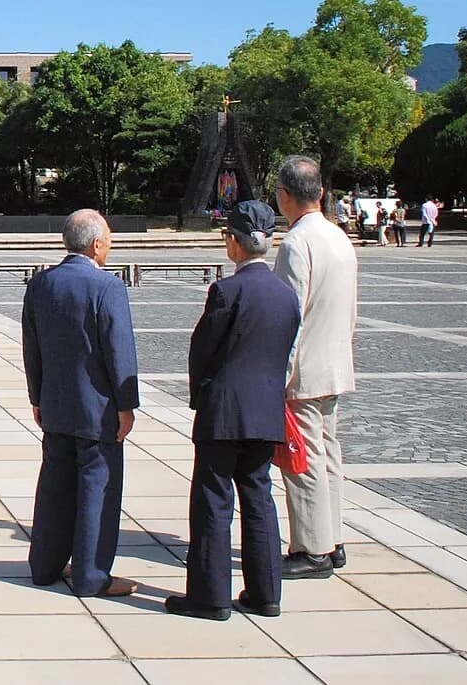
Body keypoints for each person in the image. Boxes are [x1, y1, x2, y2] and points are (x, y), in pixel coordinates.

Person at [165, 201, 301, 621]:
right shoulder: (286, 294)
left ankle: (210, 596)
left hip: (224, 410)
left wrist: (200, 395)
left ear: (236, 243)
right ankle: (265, 593)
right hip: (266, 411)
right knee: (259, 497)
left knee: (213, 501)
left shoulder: (227, 290)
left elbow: (203, 350)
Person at [23, 209, 140, 598]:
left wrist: (37, 397)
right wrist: (127, 405)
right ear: (95, 244)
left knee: (54, 487)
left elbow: (32, 349)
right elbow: (118, 350)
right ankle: (91, 575)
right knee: (97, 489)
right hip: (98, 409)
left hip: (55, 405)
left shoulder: (41, 284)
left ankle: (44, 566)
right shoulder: (107, 287)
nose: (109, 247)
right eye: (108, 240)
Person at [274, 155, 358, 579]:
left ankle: (312, 548)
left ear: (284, 196)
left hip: (304, 370)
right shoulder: (339, 236)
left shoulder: (295, 243)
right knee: (329, 456)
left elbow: (289, 317)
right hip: (334, 362)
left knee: (302, 460)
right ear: (321, 192)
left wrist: (278, 375)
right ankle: (334, 537)